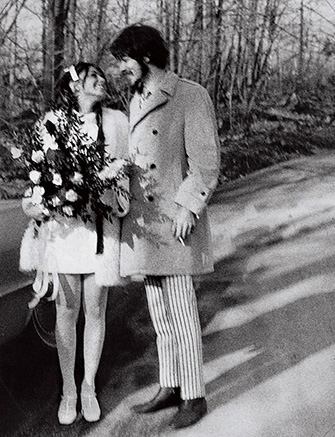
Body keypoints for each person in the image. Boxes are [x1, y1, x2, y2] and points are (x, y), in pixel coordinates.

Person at [110, 24, 220, 429]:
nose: (120, 69)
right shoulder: (136, 98)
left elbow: (206, 162)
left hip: (174, 220)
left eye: (124, 60)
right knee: (159, 312)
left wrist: (189, 207)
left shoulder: (190, 95)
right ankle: (169, 383)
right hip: (145, 223)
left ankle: (194, 394)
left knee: (182, 310)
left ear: (146, 56)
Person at [19, 62, 129, 425]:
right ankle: (68, 389)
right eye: (92, 77)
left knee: (95, 311)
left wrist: (118, 192)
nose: (101, 81)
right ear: (74, 86)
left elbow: (127, 168)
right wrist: (40, 202)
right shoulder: (50, 124)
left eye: (101, 76)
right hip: (63, 232)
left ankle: (88, 386)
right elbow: (37, 176)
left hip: (99, 229)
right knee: (67, 313)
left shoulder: (115, 122)